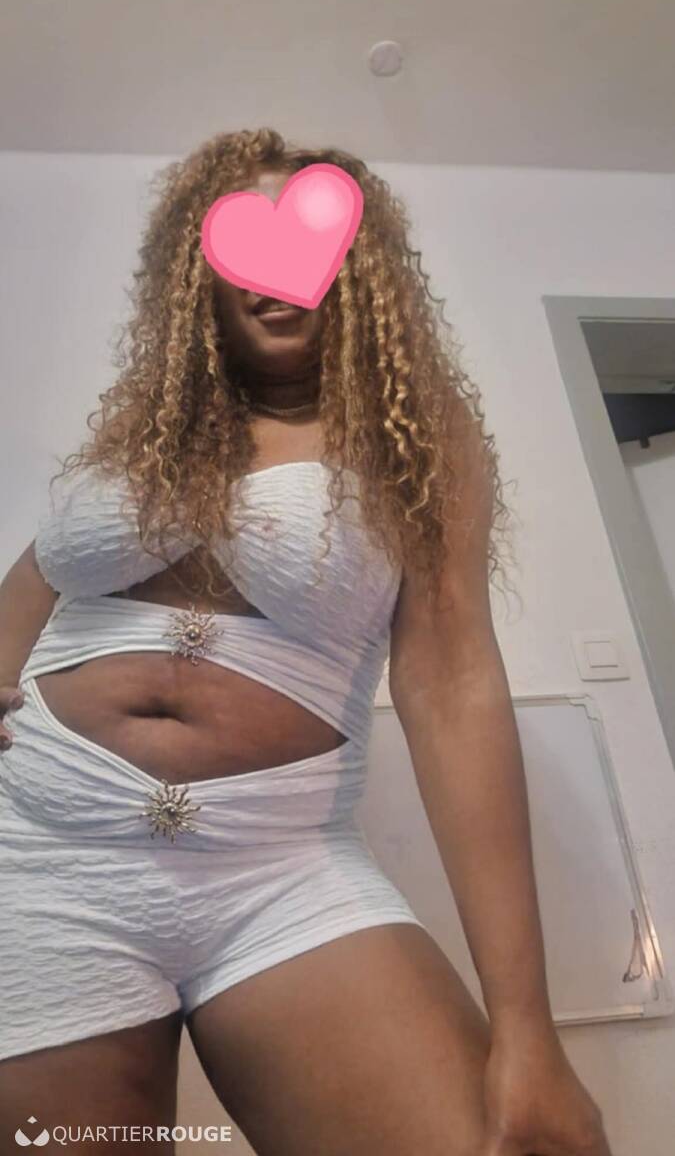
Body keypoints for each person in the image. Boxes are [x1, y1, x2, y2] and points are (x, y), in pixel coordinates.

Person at [0, 127, 611, 1156]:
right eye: (245, 242)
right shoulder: (141, 433)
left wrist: (526, 1028)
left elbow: (454, 684)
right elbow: (40, 572)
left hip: (278, 869)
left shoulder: (414, 438)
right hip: (41, 860)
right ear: (200, 270)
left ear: (356, 273)